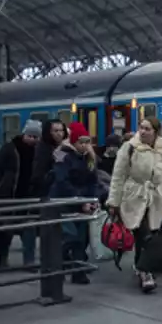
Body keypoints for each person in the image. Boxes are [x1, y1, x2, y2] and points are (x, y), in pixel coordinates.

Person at [106, 117, 162, 293]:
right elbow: (118, 176)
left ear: (155, 132)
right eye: (141, 128)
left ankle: (141, 265)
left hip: (156, 197)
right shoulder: (129, 147)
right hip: (134, 196)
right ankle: (145, 272)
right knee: (143, 235)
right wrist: (114, 202)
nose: (143, 131)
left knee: (152, 233)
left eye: (147, 129)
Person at [49, 121, 100, 285]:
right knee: (70, 237)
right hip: (64, 203)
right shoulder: (63, 156)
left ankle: (78, 272)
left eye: (87, 142)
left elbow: (93, 181)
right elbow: (62, 181)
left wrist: (93, 200)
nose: (84, 145)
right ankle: (57, 265)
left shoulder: (88, 159)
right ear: (73, 141)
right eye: (81, 142)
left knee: (81, 238)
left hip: (82, 203)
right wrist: (80, 199)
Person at [0, 120, 41, 267]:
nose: (32, 139)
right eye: (30, 136)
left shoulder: (39, 151)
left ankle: (29, 261)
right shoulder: (9, 149)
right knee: (5, 230)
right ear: (24, 134)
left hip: (29, 195)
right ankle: (2, 258)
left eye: (35, 137)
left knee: (29, 229)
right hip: (10, 194)